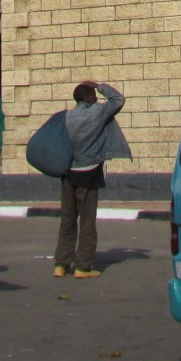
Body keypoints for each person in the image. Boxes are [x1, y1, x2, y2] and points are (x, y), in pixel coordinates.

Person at [53, 79, 130, 279]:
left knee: (67, 219)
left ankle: (61, 265)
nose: (96, 98)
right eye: (93, 95)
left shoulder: (67, 116)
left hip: (68, 172)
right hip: (88, 173)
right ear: (88, 97)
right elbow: (118, 100)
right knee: (87, 220)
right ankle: (82, 266)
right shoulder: (97, 112)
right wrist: (99, 86)